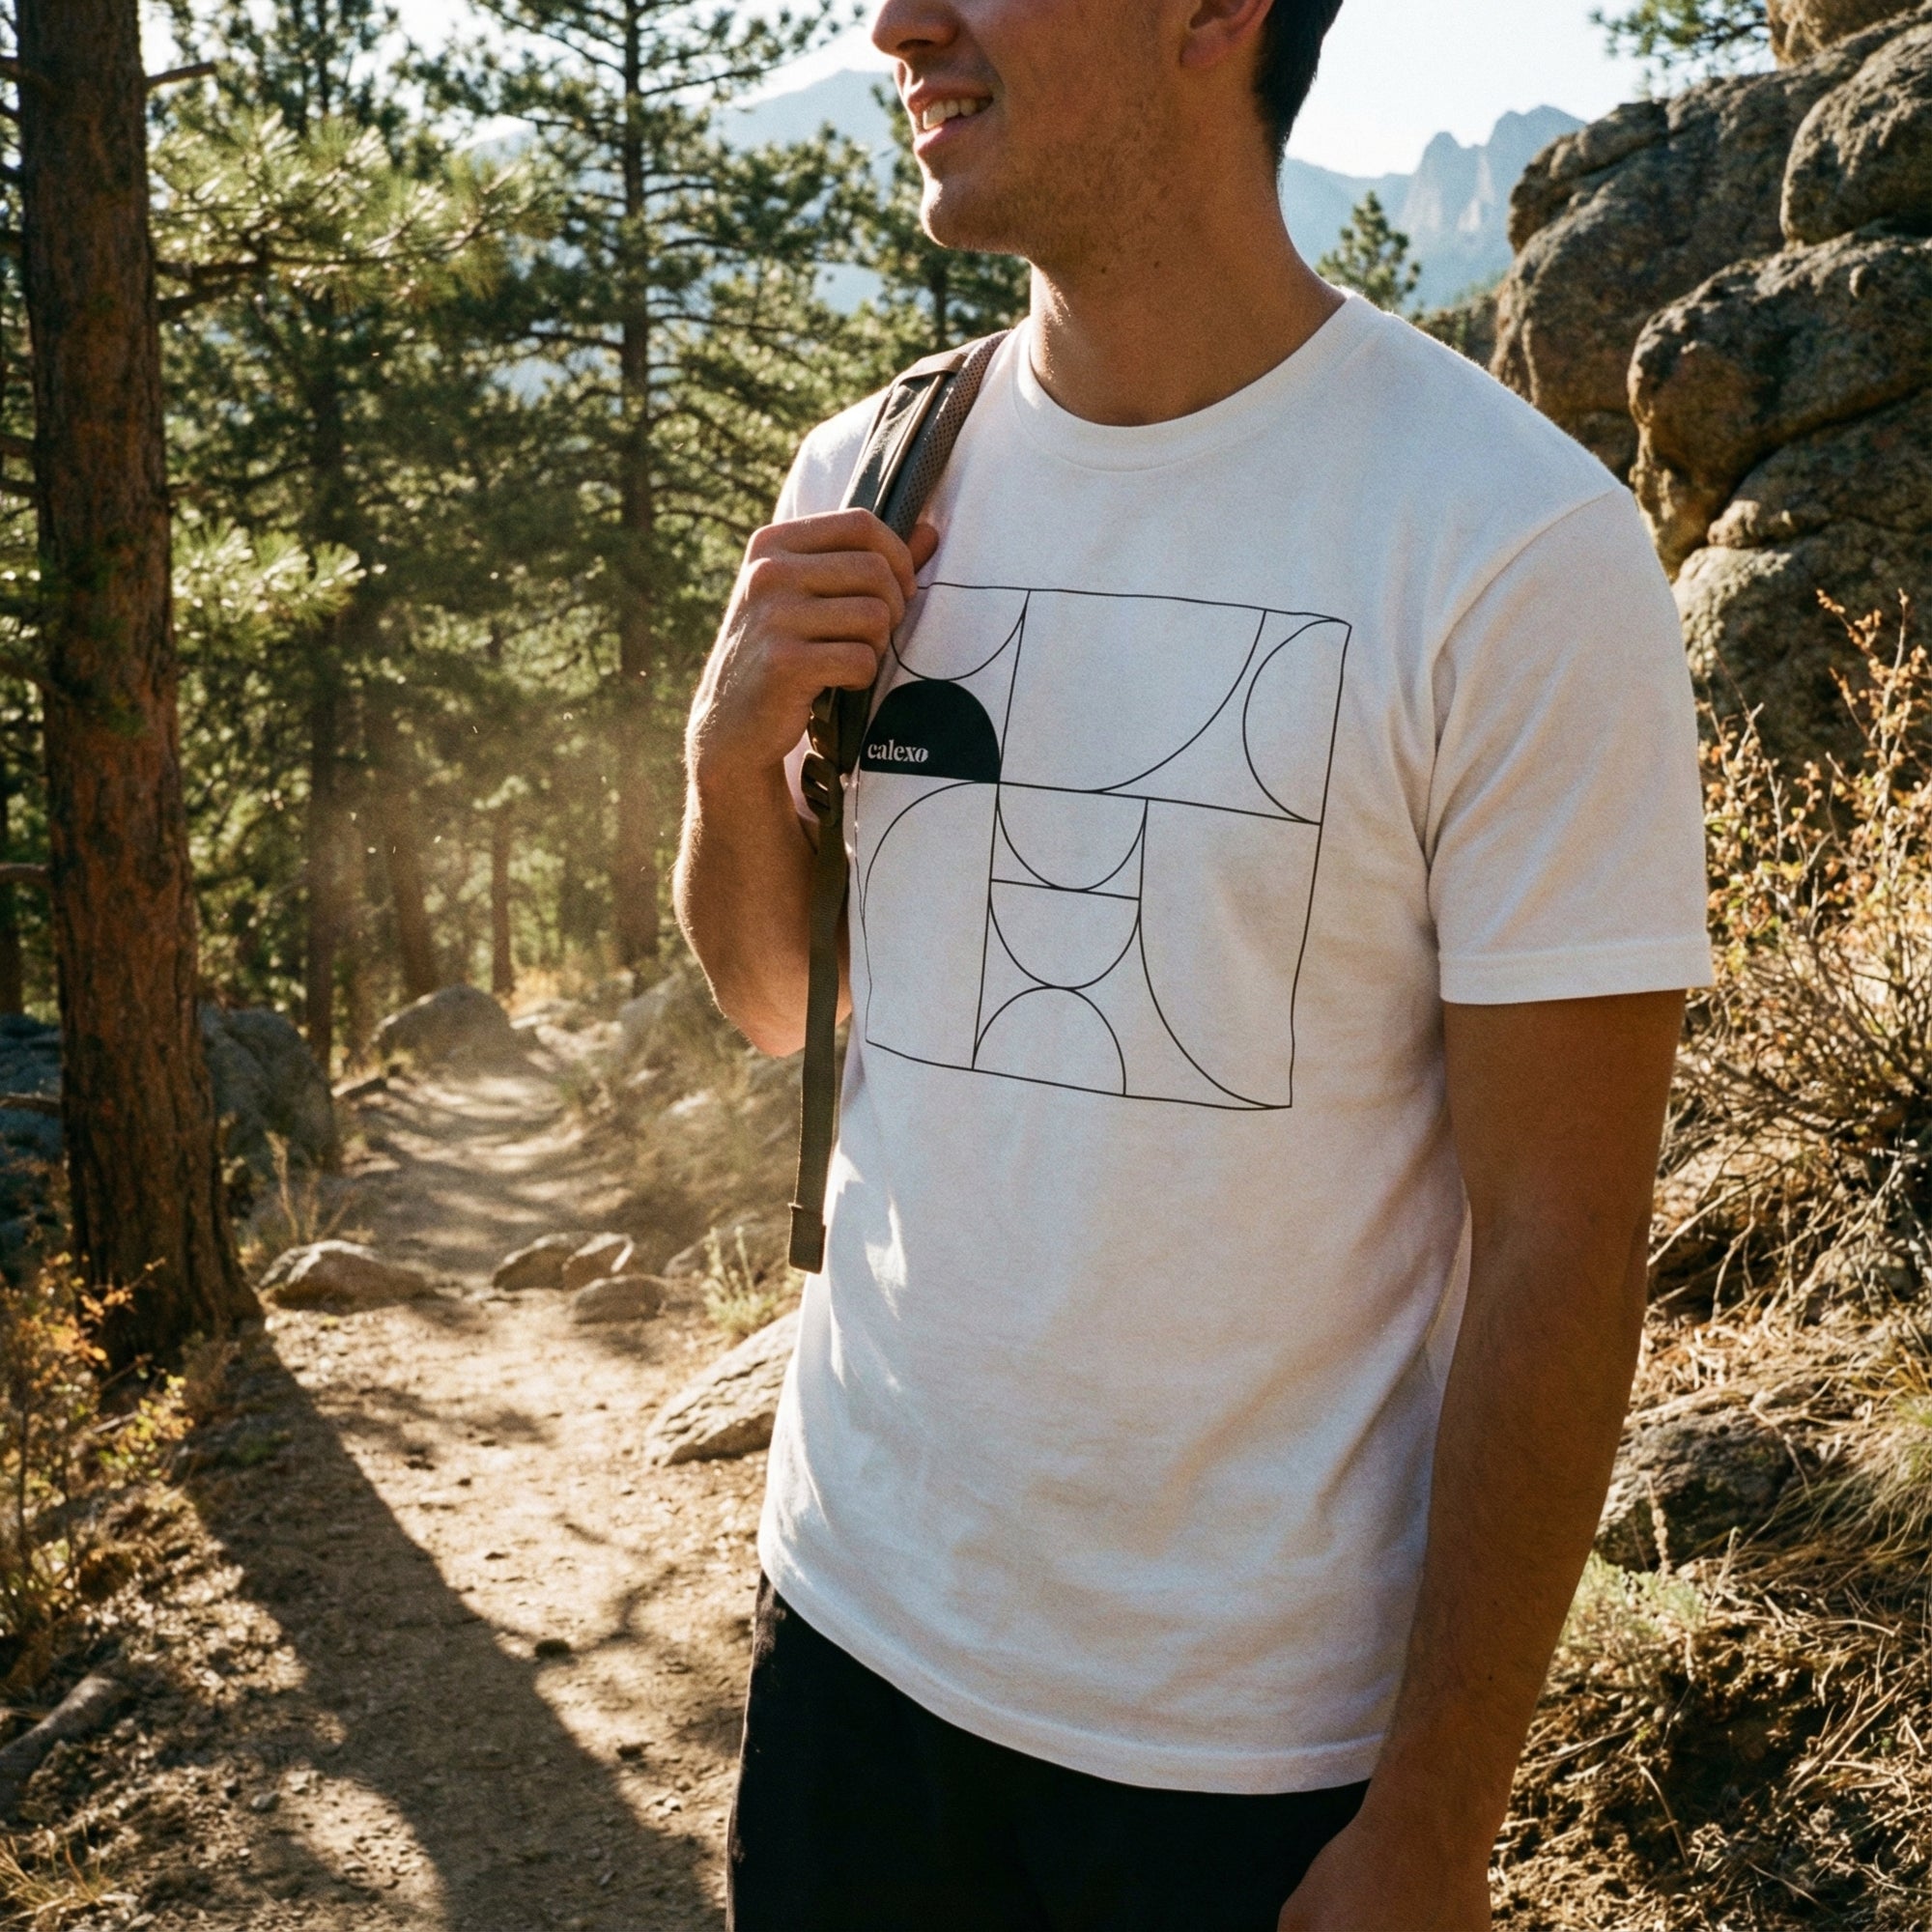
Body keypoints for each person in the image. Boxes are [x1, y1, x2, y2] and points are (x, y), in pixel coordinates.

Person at [675, 0, 1712, 1923]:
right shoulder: (873, 474)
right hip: (843, 1641)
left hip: (1242, 1764)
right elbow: (774, 1005)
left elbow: (1566, 1233)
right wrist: (731, 759)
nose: (898, 22)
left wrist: (1431, 1827)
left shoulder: (1509, 547)